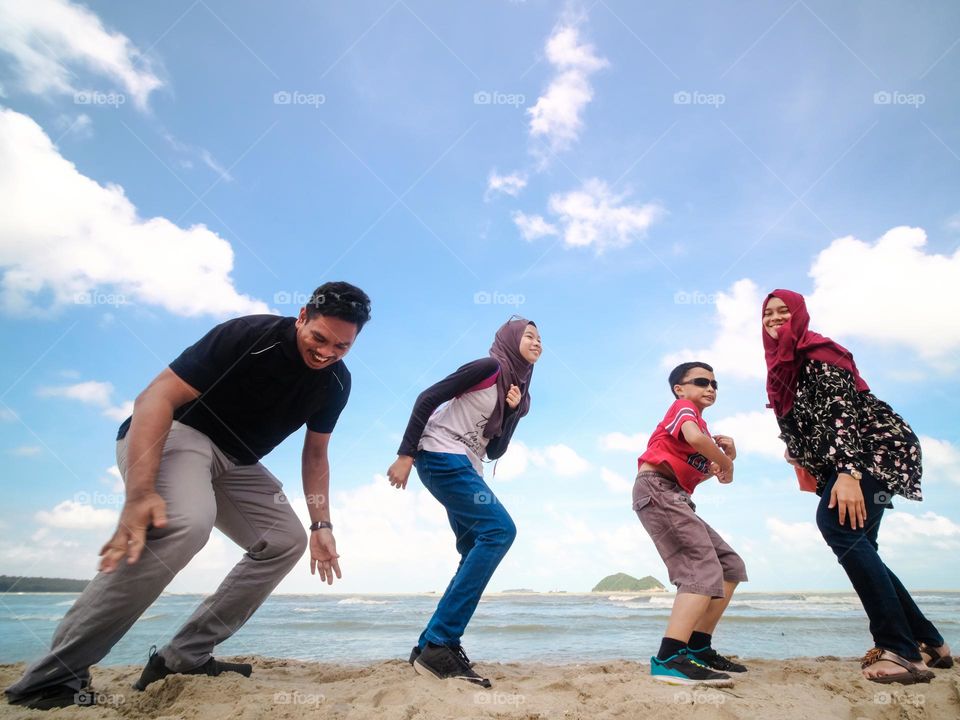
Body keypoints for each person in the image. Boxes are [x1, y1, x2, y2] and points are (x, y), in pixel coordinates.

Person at [6, 282, 371, 710]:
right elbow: (155, 397)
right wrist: (140, 494)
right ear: (302, 316)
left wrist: (321, 524)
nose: (326, 352)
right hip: (176, 435)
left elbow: (315, 455)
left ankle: (182, 658)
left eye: (341, 346)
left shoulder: (336, 383)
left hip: (236, 462)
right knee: (185, 525)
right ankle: (52, 678)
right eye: (319, 338)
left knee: (285, 541)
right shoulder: (248, 336)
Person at [763, 289, 952, 684]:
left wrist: (848, 472)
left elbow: (840, 413)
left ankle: (901, 650)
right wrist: (799, 451)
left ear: (800, 315)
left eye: (784, 311)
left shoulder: (818, 354)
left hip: (875, 452)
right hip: (857, 456)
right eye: (768, 313)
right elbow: (809, 423)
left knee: (837, 527)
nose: (775, 318)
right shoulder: (783, 368)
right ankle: (930, 642)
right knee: (861, 543)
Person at [386, 317, 541, 688]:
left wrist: (513, 412)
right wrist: (405, 454)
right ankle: (441, 641)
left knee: (476, 545)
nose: (537, 342)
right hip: (440, 454)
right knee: (499, 531)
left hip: (467, 465)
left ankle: (430, 645)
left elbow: (496, 449)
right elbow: (427, 398)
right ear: (510, 340)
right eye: (529, 335)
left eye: (540, 339)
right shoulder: (488, 368)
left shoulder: (520, 393)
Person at [633, 362, 747, 686]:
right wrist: (725, 462)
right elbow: (695, 440)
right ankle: (669, 658)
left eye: (714, 384)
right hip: (657, 489)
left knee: (730, 566)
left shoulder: (703, 431)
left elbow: (715, 474)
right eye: (701, 381)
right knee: (700, 568)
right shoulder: (683, 409)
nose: (710, 388)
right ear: (679, 389)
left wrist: (728, 459)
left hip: (676, 496)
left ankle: (698, 647)